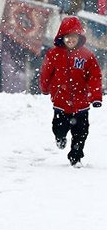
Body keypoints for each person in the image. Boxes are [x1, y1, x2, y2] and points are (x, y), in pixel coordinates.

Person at [39, 16, 102, 167]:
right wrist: (45, 87)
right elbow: (46, 73)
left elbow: (94, 77)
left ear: (79, 37)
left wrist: (95, 97)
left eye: (74, 37)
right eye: (67, 37)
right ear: (62, 38)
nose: (71, 40)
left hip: (82, 104)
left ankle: (76, 157)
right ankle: (60, 138)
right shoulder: (53, 54)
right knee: (59, 128)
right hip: (61, 102)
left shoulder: (87, 56)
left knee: (81, 133)